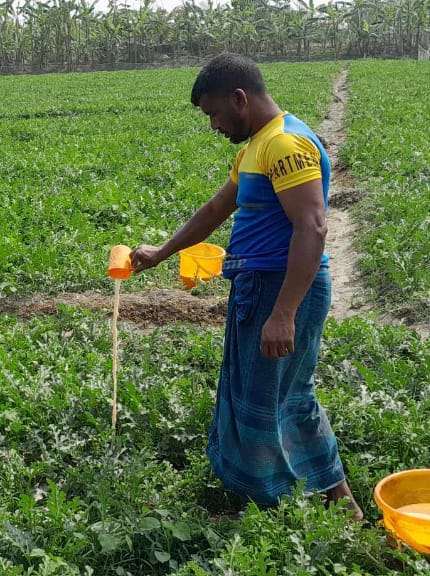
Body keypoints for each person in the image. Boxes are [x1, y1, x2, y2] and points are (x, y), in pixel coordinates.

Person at [129, 53, 362, 520]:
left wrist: (283, 312)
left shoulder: (286, 145)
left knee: (283, 397)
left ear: (240, 98)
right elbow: (216, 210)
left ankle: (289, 508)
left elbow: (312, 228)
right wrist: (162, 252)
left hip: (282, 288)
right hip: (260, 286)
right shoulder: (256, 147)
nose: (213, 124)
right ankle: (293, 499)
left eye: (214, 113)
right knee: (261, 393)